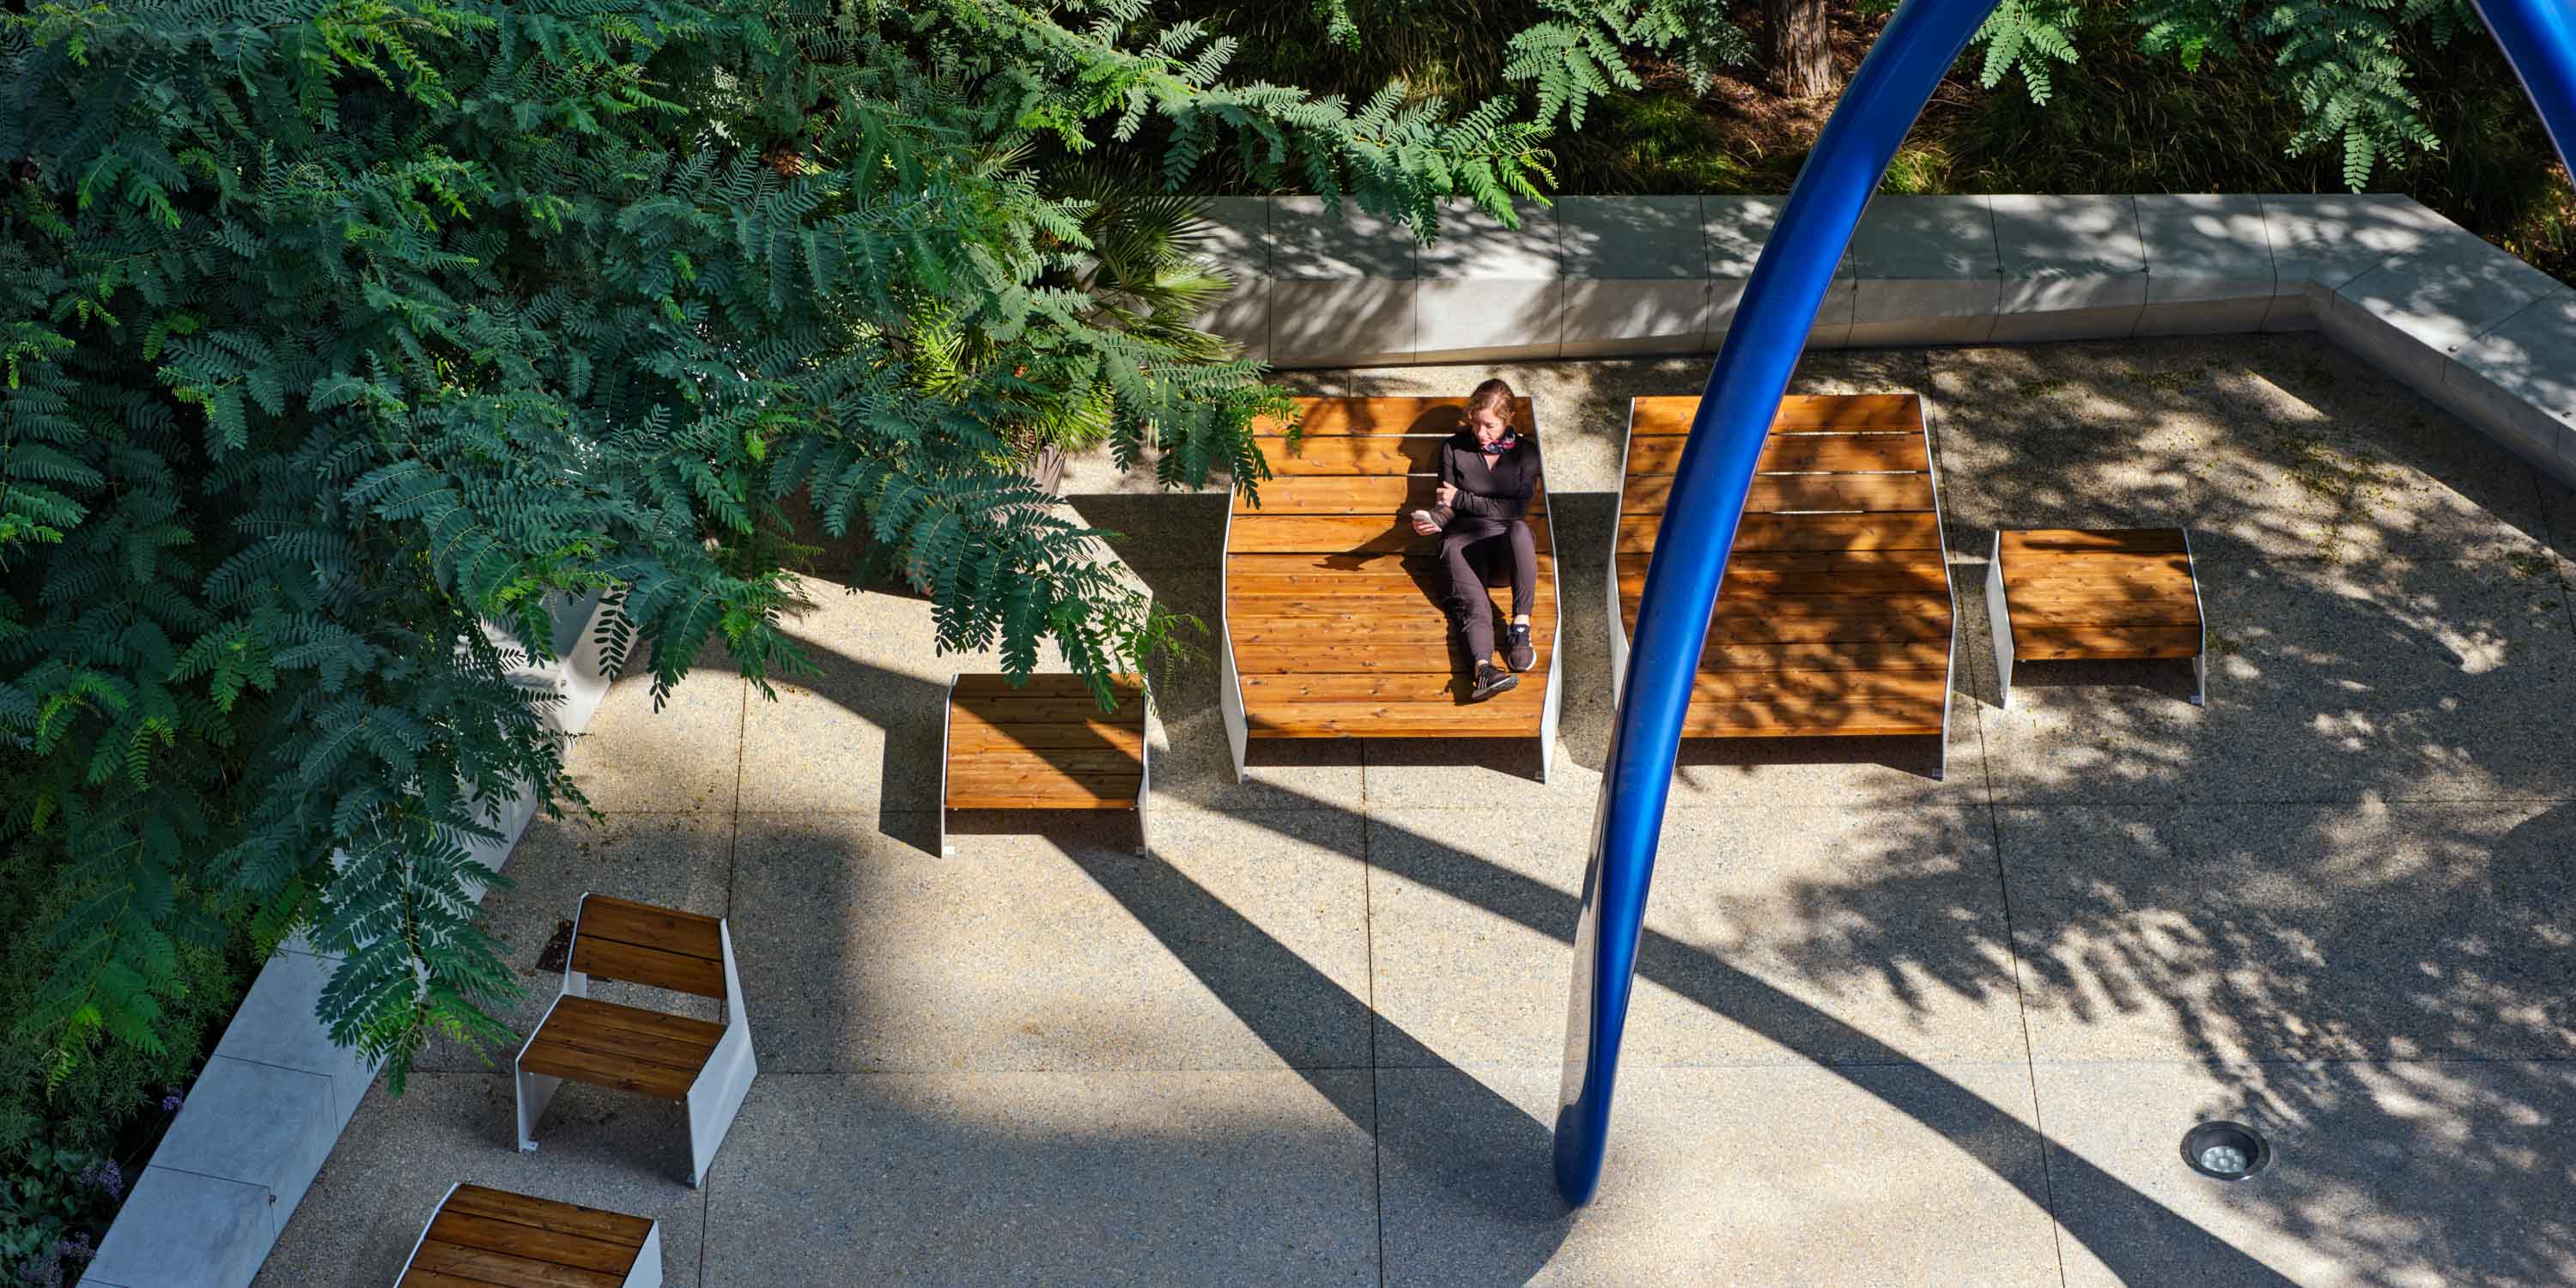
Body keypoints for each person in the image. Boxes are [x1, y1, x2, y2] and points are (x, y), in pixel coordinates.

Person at [1410, 378, 1539, 702]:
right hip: (1463, 545)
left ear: (1507, 421)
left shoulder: (1525, 454)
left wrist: (1463, 500)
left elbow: (1516, 508)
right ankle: (1484, 670)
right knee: (1475, 607)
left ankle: (1520, 627)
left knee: (1521, 530)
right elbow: (1446, 505)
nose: (1481, 433)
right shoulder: (1454, 448)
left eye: (1490, 426)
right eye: (1476, 424)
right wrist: (1433, 520)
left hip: (1505, 550)